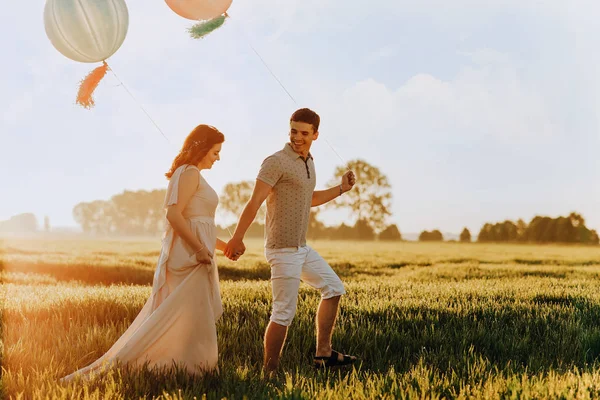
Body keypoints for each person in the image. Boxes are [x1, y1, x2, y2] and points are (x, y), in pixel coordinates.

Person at [61, 124, 232, 382]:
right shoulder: (189, 173)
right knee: (187, 315)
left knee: (193, 315)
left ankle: (186, 368)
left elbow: (200, 224)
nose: (218, 157)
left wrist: (223, 248)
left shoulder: (193, 174)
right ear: (202, 147)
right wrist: (199, 250)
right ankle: (188, 369)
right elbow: (174, 215)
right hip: (190, 256)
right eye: (215, 151)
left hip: (198, 253)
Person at [224, 108, 358, 372]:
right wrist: (236, 238)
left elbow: (310, 199)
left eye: (304, 133)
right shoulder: (275, 161)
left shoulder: (309, 162)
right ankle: (269, 372)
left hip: (301, 248)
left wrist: (342, 188)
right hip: (282, 248)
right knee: (283, 313)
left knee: (334, 289)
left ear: (315, 135)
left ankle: (323, 354)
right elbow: (254, 203)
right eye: (294, 131)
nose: (298, 137)